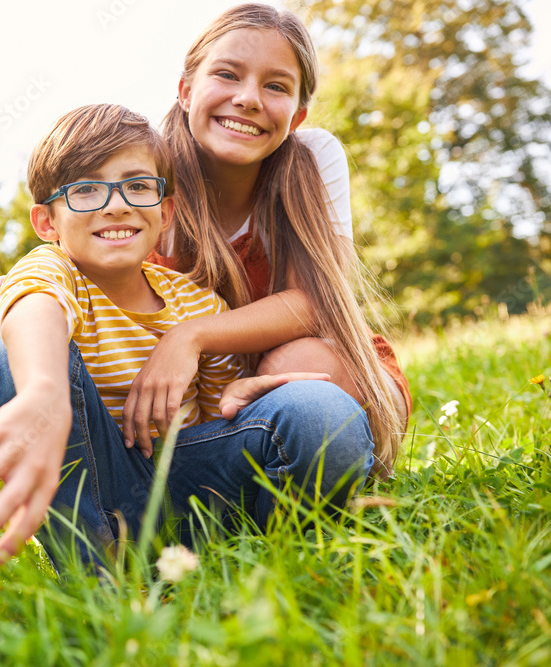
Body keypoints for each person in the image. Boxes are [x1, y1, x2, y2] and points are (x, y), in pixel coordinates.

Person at [0, 101, 374, 566]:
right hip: (98, 490)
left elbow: (215, 416)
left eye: (137, 186)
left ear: (166, 212)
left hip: (190, 486)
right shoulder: (51, 271)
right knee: (11, 358)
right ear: (47, 222)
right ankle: (94, 579)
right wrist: (43, 389)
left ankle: (274, 559)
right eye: (86, 191)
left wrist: (240, 398)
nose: (117, 205)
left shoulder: (197, 303)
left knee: (321, 412)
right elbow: (32, 303)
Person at [123, 2, 409, 480]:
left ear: (296, 117)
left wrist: (189, 335)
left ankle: (299, 477)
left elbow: (316, 301)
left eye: (275, 86)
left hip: (311, 365)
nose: (249, 99)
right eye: (228, 75)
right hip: (193, 393)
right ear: (186, 91)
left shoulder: (314, 158)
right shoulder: (148, 175)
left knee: (302, 364)